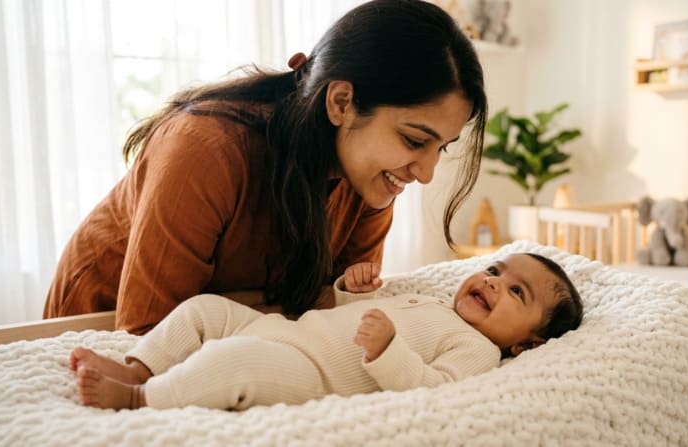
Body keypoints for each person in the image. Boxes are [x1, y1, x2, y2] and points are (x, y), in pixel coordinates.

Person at [44, 0, 489, 334]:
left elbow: (343, 313)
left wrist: (252, 309)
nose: (425, 173)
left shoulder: (372, 182)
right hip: (92, 328)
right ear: (341, 102)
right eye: (414, 141)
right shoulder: (204, 149)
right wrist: (285, 308)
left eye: (441, 148)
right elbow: (150, 331)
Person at [71, 252, 583, 410]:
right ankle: (139, 362)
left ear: (528, 342)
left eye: (517, 293)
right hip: (286, 330)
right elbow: (352, 319)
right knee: (206, 309)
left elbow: (436, 390)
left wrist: (387, 352)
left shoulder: (478, 350)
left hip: (309, 371)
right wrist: (354, 293)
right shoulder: (432, 301)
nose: (493, 285)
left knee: (235, 362)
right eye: (495, 272)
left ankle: (139, 398)